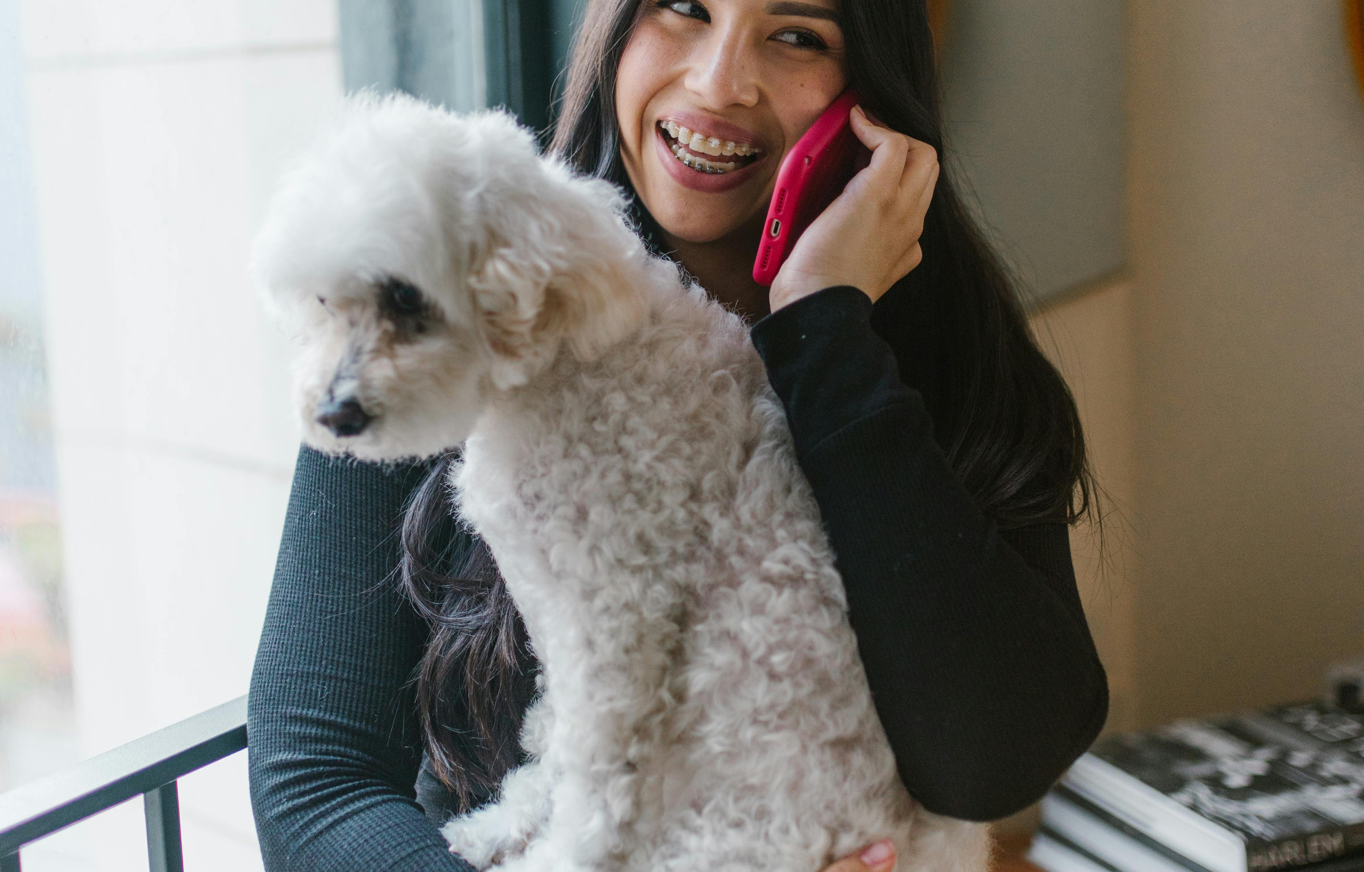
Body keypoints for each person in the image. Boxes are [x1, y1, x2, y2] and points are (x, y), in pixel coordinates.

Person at [246, 0, 1109, 867]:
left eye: (798, 34)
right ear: (615, 32)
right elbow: (316, 780)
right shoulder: (444, 301)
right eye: (686, 8)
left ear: (875, 95)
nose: (718, 81)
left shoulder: (954, 359)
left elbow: (995, 765)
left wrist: (826, 336)